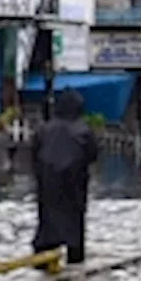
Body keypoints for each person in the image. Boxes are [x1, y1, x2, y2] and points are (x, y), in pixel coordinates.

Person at [32, 89, 98, 266]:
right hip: (74, 185)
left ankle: (42, 257)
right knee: (74, 225)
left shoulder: (44, 130)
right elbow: (93, 155)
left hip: (48, 184)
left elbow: (34, 153)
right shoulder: (84, 131)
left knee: (47, 221)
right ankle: (74, 257)